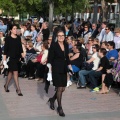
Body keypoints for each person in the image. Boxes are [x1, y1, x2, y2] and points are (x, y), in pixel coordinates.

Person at [47, 30, 72, 117]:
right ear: (57, 36)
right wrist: (49, 70)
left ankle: (52, 99)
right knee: (59, 88)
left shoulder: (66, 44)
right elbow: (50, 58)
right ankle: (60, 107)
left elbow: (67, 57)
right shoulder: (53, 45)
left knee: (63, 88)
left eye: (62, 35)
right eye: (59, 35)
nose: (61, 37)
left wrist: (70, 67)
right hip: (56, 68)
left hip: (64, 68)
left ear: (65, 36)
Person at [3, 24, 24, 96]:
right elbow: (5, 50)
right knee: (15, 73)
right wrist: (4, 61)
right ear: (11, 30)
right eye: (14, 29)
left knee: (10, 73)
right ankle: (18, 89)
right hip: (11, 58)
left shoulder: (18, 38)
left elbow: (20, 48)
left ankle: (6, 85)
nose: (16, 30)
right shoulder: (8, 38)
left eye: (16, 28)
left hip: (17, 58)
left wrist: (21, 56)